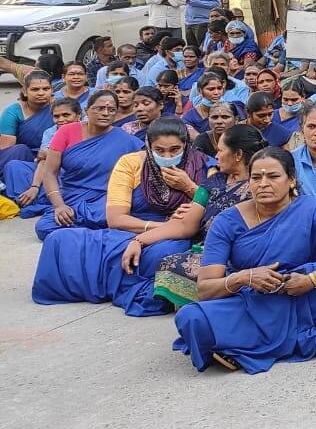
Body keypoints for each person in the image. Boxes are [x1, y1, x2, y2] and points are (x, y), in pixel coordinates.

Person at [172, 147, 316, 373]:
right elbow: (206, 289)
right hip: (254, 299)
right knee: (190, 317)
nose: (263, 183)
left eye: (273, 176)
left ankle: (245, 346)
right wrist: (244, 278)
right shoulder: (226, 221)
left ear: (292, 180)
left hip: (304, 293)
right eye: (256, 177)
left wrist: (312, 279)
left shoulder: (311, 208)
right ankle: (304, 338)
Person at [31, 118, 209, 316]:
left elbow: (218, 205)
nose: (167, 156)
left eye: (175, 150)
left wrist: (188, 187)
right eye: (160, 151)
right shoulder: (131, 163)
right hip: (134, 227)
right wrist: (159, 226)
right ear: (149, 146)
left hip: (177, 235)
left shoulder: (203, 165)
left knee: (163, 254)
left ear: (186, 144)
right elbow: (116, 219)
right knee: (59, 240)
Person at [153, 126, 267, 308]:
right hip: (212, 249)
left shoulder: (263, 186)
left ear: (237, 155)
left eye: (221, 150)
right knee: (169, 263)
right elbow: (186, 225)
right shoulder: (214, 181)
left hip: (246, 252)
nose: (217, 155)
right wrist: (139, 240)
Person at [32, 90, 145, 240]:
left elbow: (148, 165)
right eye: (99, 108)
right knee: (44, 227)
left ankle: (93, 230)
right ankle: (102, 231)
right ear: (86, 110)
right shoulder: (66, 132)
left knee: (111, 214)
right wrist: (59, 206)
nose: (105, 113)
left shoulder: (126, 139)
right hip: (73, 198)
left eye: (111, 110)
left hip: (107, 199)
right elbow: (50, 173)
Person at [0, 70, 55, 167]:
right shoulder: (13, 112)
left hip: (51, 156)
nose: (41, 93)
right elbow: (6, 149)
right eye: (35, 89)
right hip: (19, 157)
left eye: (46, 89)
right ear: (25, 92)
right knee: (20, 150)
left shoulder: (60, 109)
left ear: (52, 90)